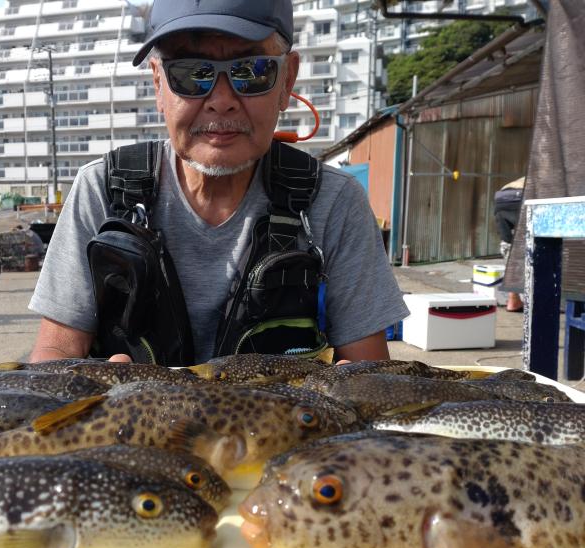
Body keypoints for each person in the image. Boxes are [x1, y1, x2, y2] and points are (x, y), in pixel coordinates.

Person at [28, 0, 408, 364]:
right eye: (191, 73)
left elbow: (367, 372)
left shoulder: (334, 202)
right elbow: (55, 352)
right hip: (133, 413)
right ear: (158, 84)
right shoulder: (102, 190)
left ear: (287, 80)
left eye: (252, 71)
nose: (221, 100)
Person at [493, 176, 525, 312]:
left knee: (508, 246)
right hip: (521, 197)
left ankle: (513, 301)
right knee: (535, 245)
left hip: (501, 198)